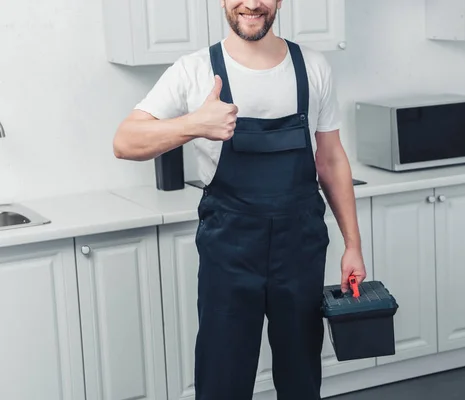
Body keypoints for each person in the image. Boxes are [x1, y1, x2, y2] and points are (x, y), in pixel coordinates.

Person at [112, 0, 366, 398]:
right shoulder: (194, 69)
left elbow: (331, 160)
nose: (251, 3)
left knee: (301, 379)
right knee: (222, 381)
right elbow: (125, 141)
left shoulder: (313, 67)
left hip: (300, 250)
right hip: (229, 253)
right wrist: (194, 123)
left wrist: (353, 245)